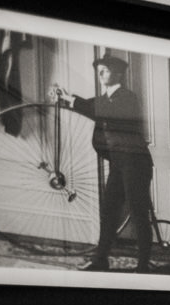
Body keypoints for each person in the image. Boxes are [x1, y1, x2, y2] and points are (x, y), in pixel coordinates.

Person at [54, 54, 154, 273]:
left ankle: (143, 265)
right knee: (109, 211)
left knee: (138, 214)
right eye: (99, 70)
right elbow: (89, 106)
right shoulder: (104, 99)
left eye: (105, 70)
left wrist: (73, 101)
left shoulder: (127, 97)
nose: (100, 74)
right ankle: (101, 260)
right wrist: (64, 97)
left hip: (136, 164)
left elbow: (101, 109)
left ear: (117, 73)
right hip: (119, 164)